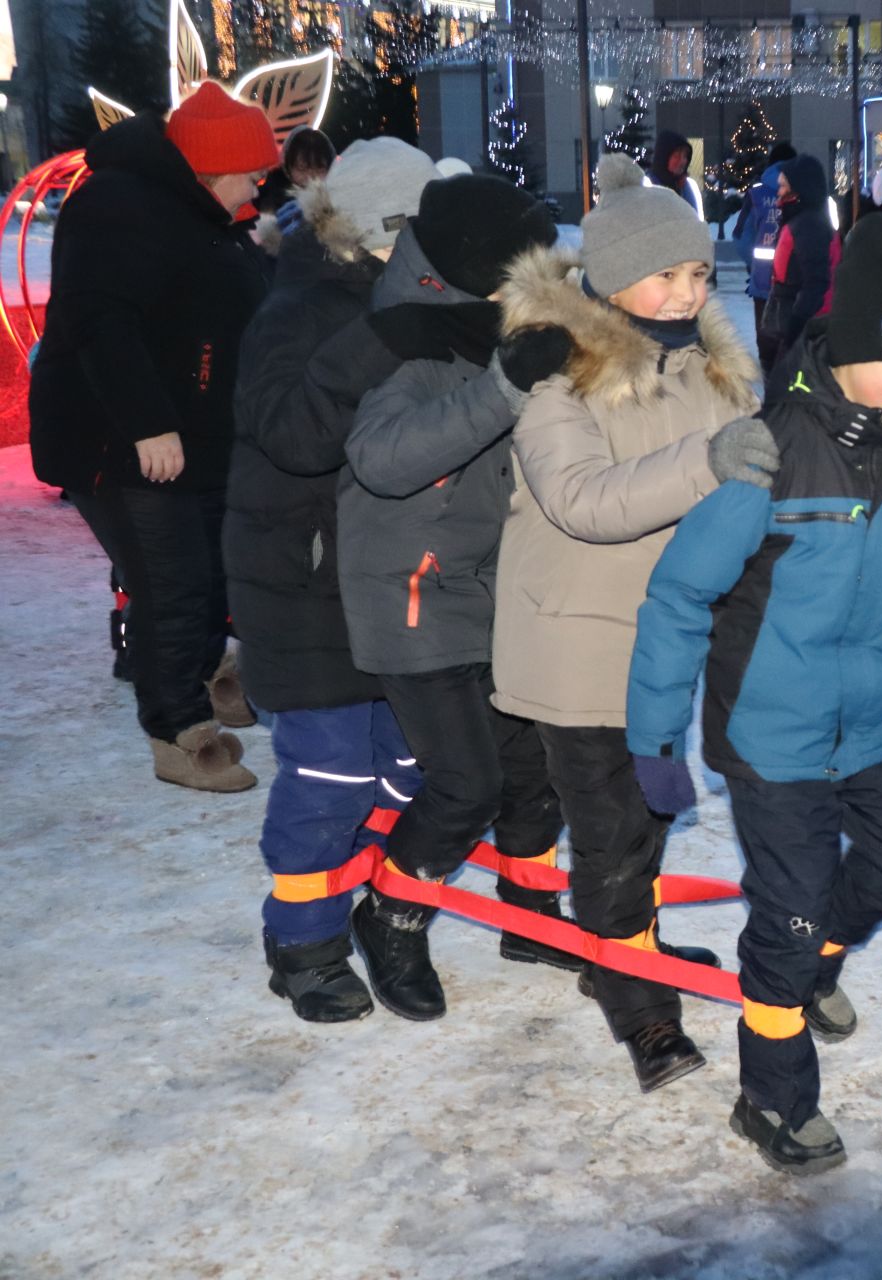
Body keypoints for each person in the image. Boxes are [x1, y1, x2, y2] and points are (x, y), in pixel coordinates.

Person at [626, 217, 882, 1175]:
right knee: (785, 924)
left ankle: (823, 953)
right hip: (774, 735)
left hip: (873, 727)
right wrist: (655, 742)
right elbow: (679, 595)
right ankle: (773, 1099)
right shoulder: (769, 456)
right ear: (860, 342)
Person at [494, 164, 762, 1090]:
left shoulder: (708, 370)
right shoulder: (557, 379)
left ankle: (627, 943)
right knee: (612, 822)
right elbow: (582, 502)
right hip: (578, 640)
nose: (691, 293)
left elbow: (749, 483)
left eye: (701, 275)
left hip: (663, 638)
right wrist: (714, 460)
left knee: (644, 815)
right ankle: (642, 1009)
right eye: (670, 276)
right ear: (609, 282)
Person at [334, 174, 573, 1021]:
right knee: (464, 783)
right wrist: (506, 384)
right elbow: (383, 460)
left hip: (484, 589)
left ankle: (531, 913)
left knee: (533, 764)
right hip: (408, 601)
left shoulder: (491, 335)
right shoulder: (409, 346)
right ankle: (390, 918)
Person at [228, 138, 444, 1021]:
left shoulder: (426, 299)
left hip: (402, 580)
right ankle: (304, 939)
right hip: (305, 579)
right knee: (330, 773)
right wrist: (380, 338)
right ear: (367, 233)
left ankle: (374, 904)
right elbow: (290, 433)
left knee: (408, 761)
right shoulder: (300, 308)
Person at [29, 84, 278, 791]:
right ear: (212, 166)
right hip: (122, 443)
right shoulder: (116, 205)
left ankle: (201, 676)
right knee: (170, 585)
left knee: (208, 571)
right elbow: (99, 321)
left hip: (193, 438)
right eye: (252, 172)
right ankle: (177, 732)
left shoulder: (204, 214)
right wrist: (148, 423)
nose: (260, 184)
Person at [761, 154, 840, 372]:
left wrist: (793, 330)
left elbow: (815, 283)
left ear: (800, 189)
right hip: (794, 322)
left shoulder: (808, 225)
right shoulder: (803, 220)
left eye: (783, 186)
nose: (779, 192)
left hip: (802, 327)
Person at [733, 142, 797, 372]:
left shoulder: (756, 193)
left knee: (766, 339)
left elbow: (740, 236)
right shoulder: (803, 190)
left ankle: (770, 387)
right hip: (794, 280)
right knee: (792, 337)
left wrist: (754, 264)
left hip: (762, 281)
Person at [258, 126, 336, 247]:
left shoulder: (339, 198)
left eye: (319, 168)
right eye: (302, 168)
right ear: (287, 167)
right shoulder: (268, 200)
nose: (311, 176)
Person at [647, 130, 702, 214]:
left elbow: (695, 220)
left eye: (685, 156)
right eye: (677, 156)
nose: (682, 161)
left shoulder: (686, 186)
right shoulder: (647, 186)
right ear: (663, 157)